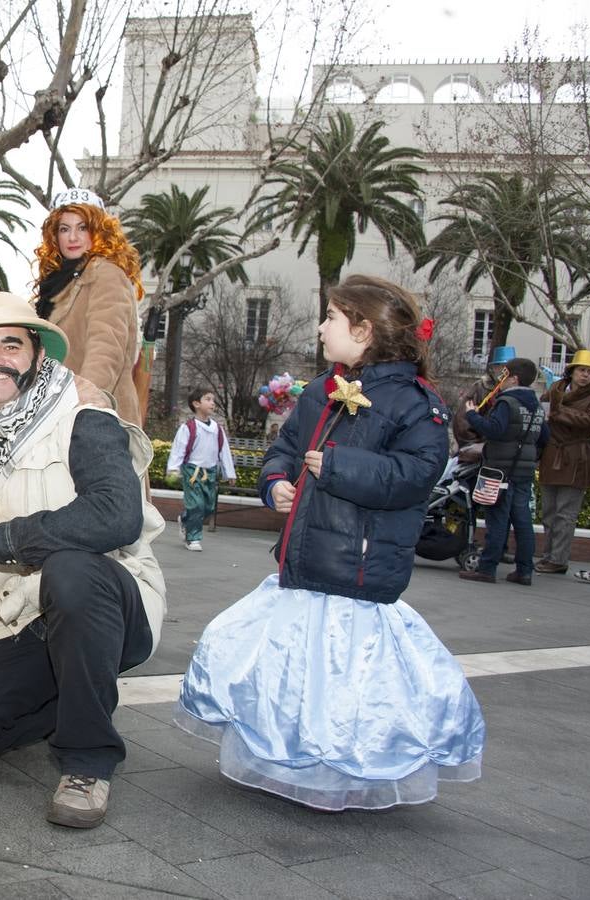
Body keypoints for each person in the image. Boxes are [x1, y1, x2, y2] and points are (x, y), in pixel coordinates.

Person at [175, 274, 485, 811]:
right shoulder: (321, 390)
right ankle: (280, 759)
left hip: (360, 571)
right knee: (289, 669)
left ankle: (344, 774)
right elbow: (287, 447)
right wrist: (275, 482)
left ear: (364, 330)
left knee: (342, 680)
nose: (321, 327)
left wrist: (338, 464)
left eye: (332, 318)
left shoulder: (418, 402)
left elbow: (417, 473)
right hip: (302, 562)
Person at [0, 290, 167, 830]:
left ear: (37, 354)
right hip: (14, 616)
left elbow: (115, 516)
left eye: (11, 345)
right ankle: (77, 691)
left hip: (107, 601)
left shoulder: (84, 413)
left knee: (71, 568)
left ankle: (88, 760)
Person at [32, 189, 145, 426]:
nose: (73, 237)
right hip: (55, 413)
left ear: (99, 232)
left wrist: (82, 404)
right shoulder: (56, 283)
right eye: (64, 229)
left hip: (93, 418)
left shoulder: (106, 273)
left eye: (82, 227)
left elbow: (106, 347)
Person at [460, 357, 548, 586]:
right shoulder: (537, 406)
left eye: (505, 375)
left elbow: (494, 430)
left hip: (499, 470)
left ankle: (487, 569)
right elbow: (544, 438)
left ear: (514, 378)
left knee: (497, 519)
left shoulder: (506, 402)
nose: (502, 379)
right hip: (524, 471)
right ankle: (524, 570)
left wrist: (472, 415)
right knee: (522, 521)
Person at [537, 350, 590, 576]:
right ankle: (549, 556)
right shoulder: (555, 390)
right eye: (582, 370)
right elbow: (542, 412)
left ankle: (559, 559)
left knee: (566, 514)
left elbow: (589, 422)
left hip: (578, 457)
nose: (586, 376)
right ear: (572, 372)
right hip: (552, 454)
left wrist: (558, 412)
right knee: (550, 512)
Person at [166, 387, 237, 551]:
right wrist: (173, 468)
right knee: (196, 505)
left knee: (208, 507)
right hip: (192, 472)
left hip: (210, 472)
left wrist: (229, 472)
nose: (212, 403)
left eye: (213, 400)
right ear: (196, 404)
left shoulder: (217, 429)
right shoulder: (188, 427)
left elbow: (224, 451)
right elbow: (179, 449)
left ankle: (185, 520)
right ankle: (193, 539)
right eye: (208, 399)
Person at [453, 345, 514, 461]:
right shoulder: (480, 388)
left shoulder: (517, 392)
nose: (504, 371)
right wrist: (474, 447)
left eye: (507, 368)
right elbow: (463, 422)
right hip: (481, 453)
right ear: (494, 368)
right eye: (501, 367)